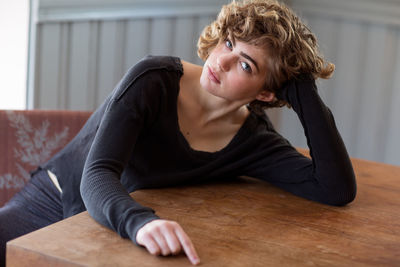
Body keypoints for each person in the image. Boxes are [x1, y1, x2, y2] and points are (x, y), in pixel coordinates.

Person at [0, 0, 357, 265]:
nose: (221, 61)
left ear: (266, 93)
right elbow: (96, 176)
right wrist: (140, 222)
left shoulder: (252, 142)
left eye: (246, 65)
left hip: (103, 236)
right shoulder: (154, 80)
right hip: (54, 201)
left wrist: (302, 89)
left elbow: (334, 187)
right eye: (229, 43)